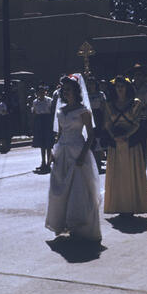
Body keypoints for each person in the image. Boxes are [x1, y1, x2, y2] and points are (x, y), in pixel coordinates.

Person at [45, 74, 101, 242]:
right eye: (64, 90)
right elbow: (59, 134)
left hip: (77, 151)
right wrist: (53, 153)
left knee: (79, 190)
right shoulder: (61, 110)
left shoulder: (83, 111)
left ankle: (80, 227)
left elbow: (91, 135)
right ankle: (62, 223)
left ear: (76, 91)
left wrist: (83, 155)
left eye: (69, 90)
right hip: (62, 152)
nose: (66, 93)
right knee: (59, 189)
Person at [103, 75, 147, 217]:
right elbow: (107, 123)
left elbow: (137, 123)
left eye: (122, 86)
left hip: (131, 143)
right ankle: (118, 205)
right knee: (117, 175)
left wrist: (126, 136)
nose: (119, 89)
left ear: (127, 87)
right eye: (117, 86)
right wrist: (114, 136)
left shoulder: (135, 103)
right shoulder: (109, 104)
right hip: (115, 144)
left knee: (130, 175)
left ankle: (131, 206)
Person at [130, 64, 147, 168]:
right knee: (131, 146)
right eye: (136, 75)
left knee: (143, 145)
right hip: (130, 120)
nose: (138, 77)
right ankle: (132, 170)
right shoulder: (129, 88)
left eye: (140, 75)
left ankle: (142, 169)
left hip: (143, 120)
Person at [30, 85, 54, 173]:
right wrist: (33, 125)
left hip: (47, 121)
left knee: (48, 144)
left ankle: (49, 162)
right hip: (39, 122)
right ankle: (43, 162)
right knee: (42, 145)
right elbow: (34, 113)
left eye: (43, 92)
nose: (41, 94)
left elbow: (52, 112)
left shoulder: (49, 100)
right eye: (39, 92)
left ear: (45, 92)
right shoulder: (35, 102)